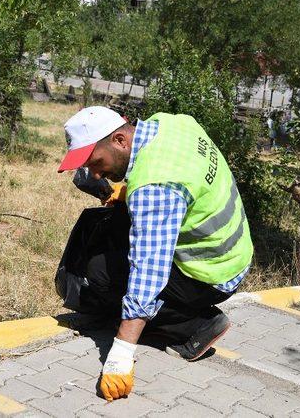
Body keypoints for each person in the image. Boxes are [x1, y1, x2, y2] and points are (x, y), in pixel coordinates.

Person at [57, 106, 253, 401]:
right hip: (232, 250)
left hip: (212, 273)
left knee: (99, 273)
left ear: (121, 141)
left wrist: (120, 354)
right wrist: (128, 193)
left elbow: (149, 269)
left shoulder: (155, 187)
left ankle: (195, 326)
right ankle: (182, 313)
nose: (95, 173)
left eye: (95, 162)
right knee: (119, 224)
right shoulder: (171, 124)